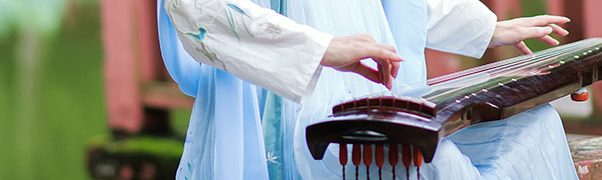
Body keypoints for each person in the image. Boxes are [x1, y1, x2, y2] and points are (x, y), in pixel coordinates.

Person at [158, 0, 576, 179]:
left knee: (533, 124)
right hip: (286, 105)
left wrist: (485, 29)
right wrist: (322, 49)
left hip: (375, 95)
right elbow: (194, 10)